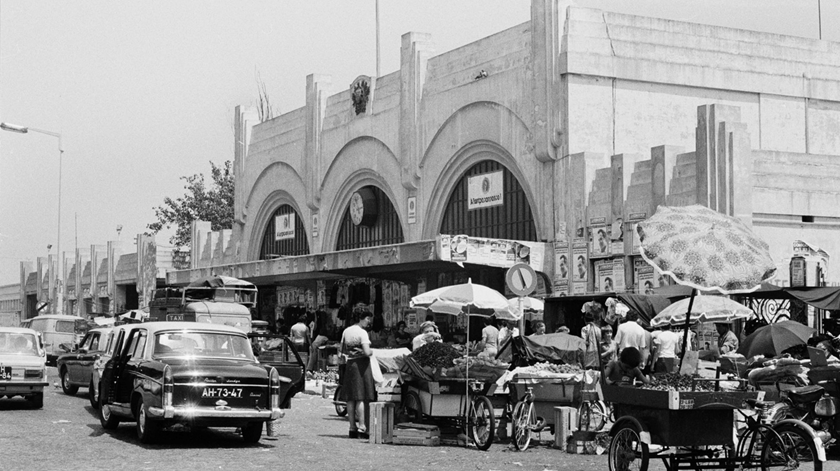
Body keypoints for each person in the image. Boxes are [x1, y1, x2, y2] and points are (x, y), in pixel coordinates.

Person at [340, 309, 376, 439]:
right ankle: (362, 426)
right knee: (361, 396)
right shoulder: (362, 333)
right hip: (361, 365)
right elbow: (367, 352)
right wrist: (372, 352)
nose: (369, 321)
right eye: (367, 318)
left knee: (351, 397)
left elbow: (342, 350)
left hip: (350, 365)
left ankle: (352, 428)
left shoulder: (346, 331)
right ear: (361, 318)